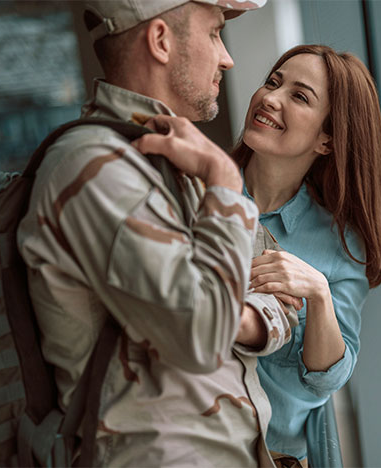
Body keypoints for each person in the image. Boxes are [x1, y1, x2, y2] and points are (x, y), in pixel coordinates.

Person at [17, 1, 297, 466]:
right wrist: (225, 187)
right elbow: (202, 336)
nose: (227, 58)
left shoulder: (179, 159)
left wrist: (240, 317)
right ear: (161, 41)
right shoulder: (94, 170)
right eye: (213, 33)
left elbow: (285, 296)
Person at [237, 44, 381, 465]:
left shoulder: (341, 245)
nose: (270, 98)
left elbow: (327, 381)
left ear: (327, 139)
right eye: (273, 82)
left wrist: (319, 294)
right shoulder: (197, 195)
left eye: (299, 96)